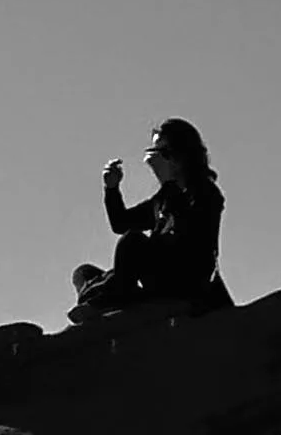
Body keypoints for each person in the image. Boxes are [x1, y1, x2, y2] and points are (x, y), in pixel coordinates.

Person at [70, 118, 230, 319]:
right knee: (84, 273)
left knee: (133, 242)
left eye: (164, 152)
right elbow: (120, 223)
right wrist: (112, 189)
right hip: (157, 286)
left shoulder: (204, 192)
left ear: (182, 154)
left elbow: (189, 239)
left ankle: (106, 299)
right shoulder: (163, 198)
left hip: (186, 284)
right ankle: (108, 295)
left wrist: (169, 186)